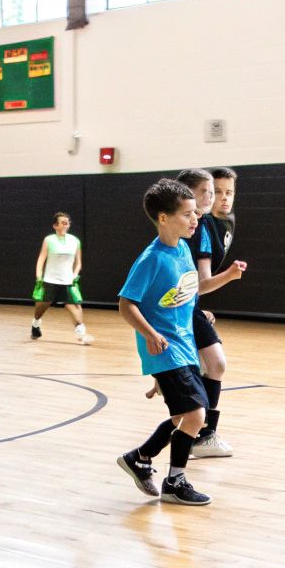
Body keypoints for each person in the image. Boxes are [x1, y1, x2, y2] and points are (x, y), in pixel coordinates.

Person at [115, 178, 246, 506]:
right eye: (187, 214)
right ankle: (175, 481)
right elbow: (126, 304)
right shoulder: (152, 259)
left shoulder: (183, 250)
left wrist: (226, 277)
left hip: (184, 346)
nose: (195, 219)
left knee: (182, 417)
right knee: (196, 416)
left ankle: (140, 457)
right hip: (165, 347)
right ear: (163, 218)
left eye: (194, 213)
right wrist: (151, 335)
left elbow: (192, 288)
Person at [194, 166, 239, 455]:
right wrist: (231, 275)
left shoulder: (222, 224)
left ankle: (200, 433)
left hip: (190, 303)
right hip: (178, 306)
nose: (220, 198)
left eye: (226, 192)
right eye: (212, 192)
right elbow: (199, 281)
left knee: (213, 365)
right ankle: (201, 434)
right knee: (214, 365)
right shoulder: (201, 226)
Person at [31, 212, 90, 344]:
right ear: (55, 226)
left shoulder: (75, 241)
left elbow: (78, 261)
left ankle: (81, 333)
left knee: (75, 305)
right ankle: (35, 324)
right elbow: (42, 258)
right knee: (42, 306)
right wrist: (39, 275)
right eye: (63, 222)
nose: (66, 224)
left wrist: (75, 274)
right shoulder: (49, 240)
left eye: (67, 222)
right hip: (50, 280)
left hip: (68, 280)